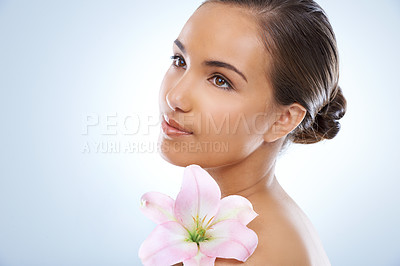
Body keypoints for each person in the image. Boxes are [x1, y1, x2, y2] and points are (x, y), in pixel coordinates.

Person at [158, 0, 346, 264]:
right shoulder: (246, 220)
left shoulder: (256, 254)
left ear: (283, 119)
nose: (174, 96)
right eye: (180, 60)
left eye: (220, 80)